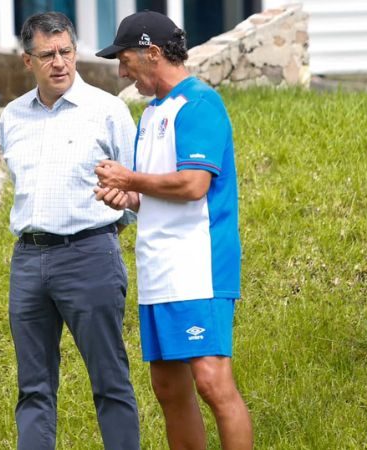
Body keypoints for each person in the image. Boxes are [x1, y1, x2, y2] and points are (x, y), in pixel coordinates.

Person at [93, 10, 253, 450]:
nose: (122, 72)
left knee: (212, 382)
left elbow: (193, 184)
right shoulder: (152, 114)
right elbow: (157, 189)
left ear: (153, 53)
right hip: (159, 268)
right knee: (168, 388)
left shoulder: (200, 104)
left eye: (125, 60)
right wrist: (128, 196)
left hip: (199, 266)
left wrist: (130, 179)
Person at [0, 11, 140, 450]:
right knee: (33, 388)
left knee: (110, 381)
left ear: (75, 52)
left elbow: (138, 185)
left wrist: (126, 202)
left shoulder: (108, 110)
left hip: (89, 255)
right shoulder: (12, 117)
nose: (59, 62)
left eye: (66, 52)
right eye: (47, 55)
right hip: (28, 260)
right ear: (28, 61)